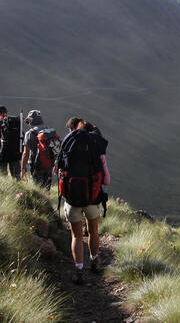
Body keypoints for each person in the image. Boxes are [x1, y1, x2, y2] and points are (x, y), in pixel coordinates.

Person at [58, 117, 108, 285]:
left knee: (76, 235)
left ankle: (79, 270)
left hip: (72, 199)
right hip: (92, 199)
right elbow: (106, 180)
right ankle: (94, 261)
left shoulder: (68, 142)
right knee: (93, 231)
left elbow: (58, 169)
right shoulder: (95, 145)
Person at [20, 110, 53, 188]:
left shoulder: (30, 133)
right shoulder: (48, 131)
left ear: (32, 121)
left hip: (36, 165)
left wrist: (23, 169)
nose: (28, 124)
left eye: (28, 122)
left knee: (36, 188)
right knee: (46, 189)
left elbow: (26, 153)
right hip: (48, 165)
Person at [0, 106, 21, 179]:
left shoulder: (2, 123)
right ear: (5, 113)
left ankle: (7, 188)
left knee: (3, 176)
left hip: (3, 153)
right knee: (16, 176)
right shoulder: (13, 122)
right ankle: (20, 189)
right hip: (15, 152)